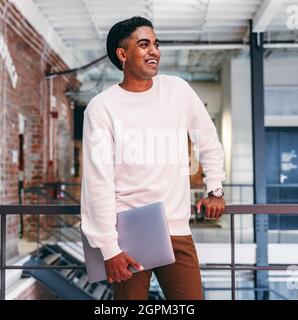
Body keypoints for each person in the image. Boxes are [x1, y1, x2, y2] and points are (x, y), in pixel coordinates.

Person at [80, 16, 226, 300]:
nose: (154, 51)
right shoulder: (101, 108)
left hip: (176, 227)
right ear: (122, 54)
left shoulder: (178, 90)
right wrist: (109, 249)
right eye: (144, 44)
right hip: (126, 234)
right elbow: (98, 182)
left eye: (156, 44)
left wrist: (215, 189)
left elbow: (208, 140)